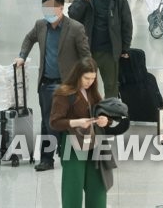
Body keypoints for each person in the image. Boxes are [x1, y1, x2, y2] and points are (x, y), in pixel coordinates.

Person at [15, 0, 92, 172]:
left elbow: (85, 55)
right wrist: (22, 56)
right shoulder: (40, 26)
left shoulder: (75, 28)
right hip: (47, 83)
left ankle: (74, 153)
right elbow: (29, 39)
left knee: (69, 121)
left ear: (61, 8)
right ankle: (46, 159)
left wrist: (86, 79)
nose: (47, 12)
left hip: (67, 84)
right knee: (48, 122)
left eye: (51, 8)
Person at [50, 58, 129, 207]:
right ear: (77, 75)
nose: (89, 82)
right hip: (72, 145)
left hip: (95, 144)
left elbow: (102, 112)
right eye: (86, 78)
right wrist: (77, 122)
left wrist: (106, 121)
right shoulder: (63, 93)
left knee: (98, 188)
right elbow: (55, 122)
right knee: (73, 190)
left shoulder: (92, 92)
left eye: (93, 79)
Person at [68, 0, 132, 99]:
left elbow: (127, 24)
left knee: (111, 86)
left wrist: (125, 47)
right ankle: (90, 116)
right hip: (88, 51)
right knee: (87, 87)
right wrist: (82, 1)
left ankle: (108, 116)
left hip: (110, 51)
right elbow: (72, 15)